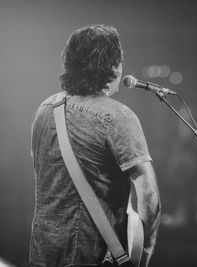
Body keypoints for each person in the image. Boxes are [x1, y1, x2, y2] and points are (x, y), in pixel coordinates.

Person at [29, 25, 161, 267]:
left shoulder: (45, 110)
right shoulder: (119, 117)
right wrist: (146, 252)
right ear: (112, 66)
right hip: (91, 257)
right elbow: (149, 194)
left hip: (42, 254)